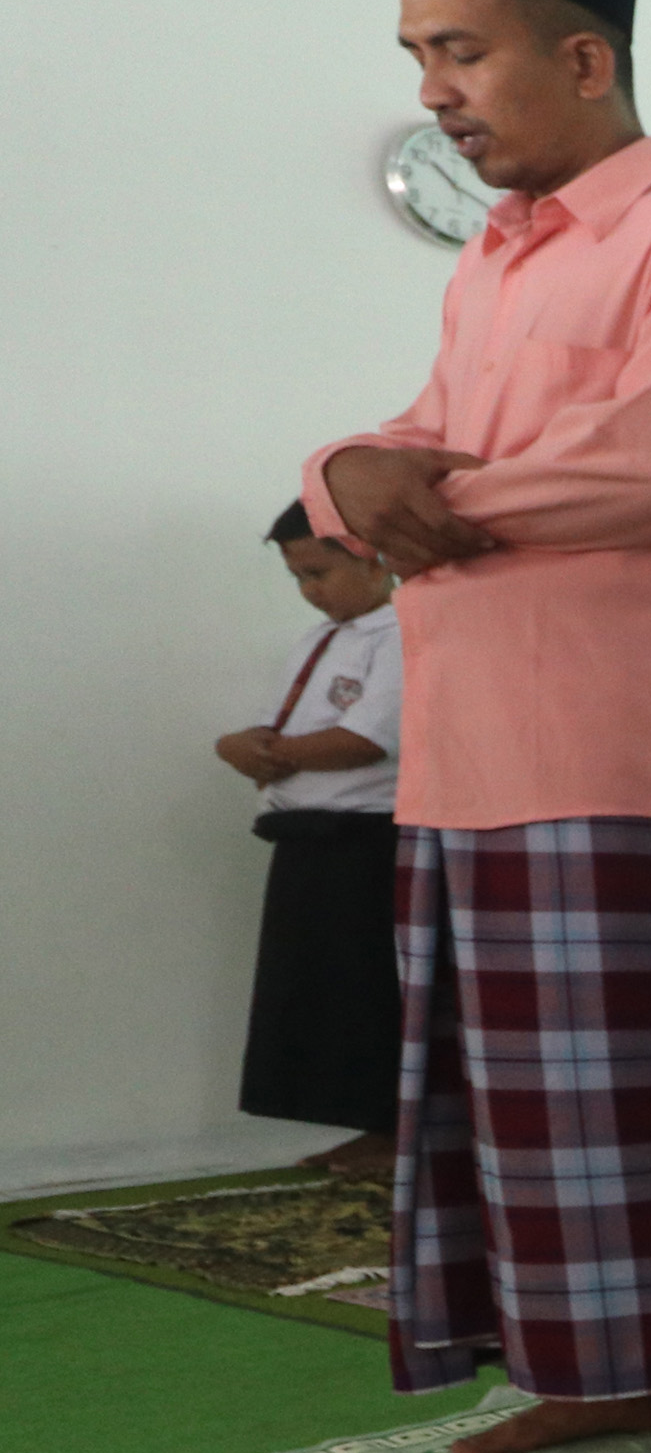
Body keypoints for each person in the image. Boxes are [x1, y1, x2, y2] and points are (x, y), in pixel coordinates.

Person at [304, 0, 651, 1453]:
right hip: (464, 752)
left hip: (616, 741)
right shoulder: (493, 266)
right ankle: (591, 1370)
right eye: (416, 57)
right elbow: (405, 435)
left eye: (459, 50)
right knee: (511, 1103)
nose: (434, 91)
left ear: (584, 62)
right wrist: (342, 470)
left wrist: (420, 496)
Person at [225, 501, 405, 1176]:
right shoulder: (316, 640)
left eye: (321, 571)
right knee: (318, 992)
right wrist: (237, 745)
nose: (311, 590)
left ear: (377, 557)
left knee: (367, 990)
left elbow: (366, 740)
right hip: (305, 836)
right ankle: (367, 1125)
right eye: (298, 577)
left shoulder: (407, 632)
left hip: (368, 840)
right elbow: (279, 729)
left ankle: (397, 1131)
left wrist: (272, 754)